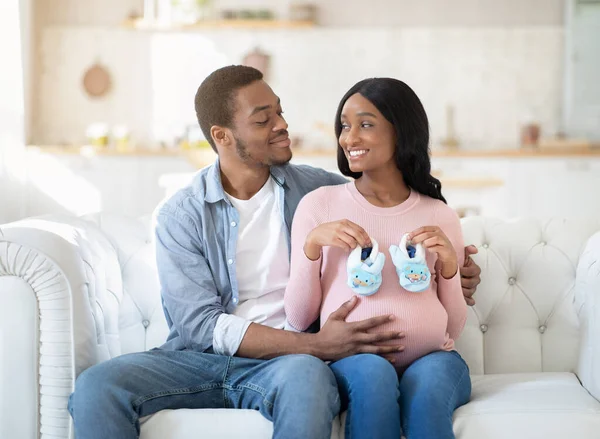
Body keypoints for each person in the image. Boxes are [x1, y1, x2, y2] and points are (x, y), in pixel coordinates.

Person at [68, 65, 481, 439]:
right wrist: (318, 346)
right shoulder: (181, 214)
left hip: (290, 365)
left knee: (307, 384)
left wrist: (453, 268)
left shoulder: (316, 192)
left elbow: (385, 209)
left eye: (280, 112)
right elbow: (199, 327)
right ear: (222, 136)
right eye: (264, 120)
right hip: (202, 358)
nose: (283, 126)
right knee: (97, 386)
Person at [285, 77, 472, 439]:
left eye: (365, 124)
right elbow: (298, 317)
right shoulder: (320, 206)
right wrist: (311, 248)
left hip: (433, 358)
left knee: (429, 397)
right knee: (374, 377)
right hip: (352, 362)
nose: (349, 138)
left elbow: (454, 328)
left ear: (401, 132)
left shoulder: (440, 215)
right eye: (344, 126)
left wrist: (450, 268)